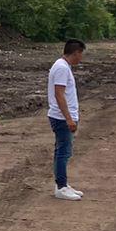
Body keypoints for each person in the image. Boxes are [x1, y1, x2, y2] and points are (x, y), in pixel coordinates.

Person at [49, 40, 86, 200]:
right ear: (76, 52)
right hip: (61, 118)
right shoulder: (62, 68)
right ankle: (61, 187)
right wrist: (68, 119)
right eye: (81, 54)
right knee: (63, 152)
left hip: (63, 117)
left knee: (63, 151)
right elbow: (59, 94)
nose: (81, 58)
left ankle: (62, 184)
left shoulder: (63, 66)